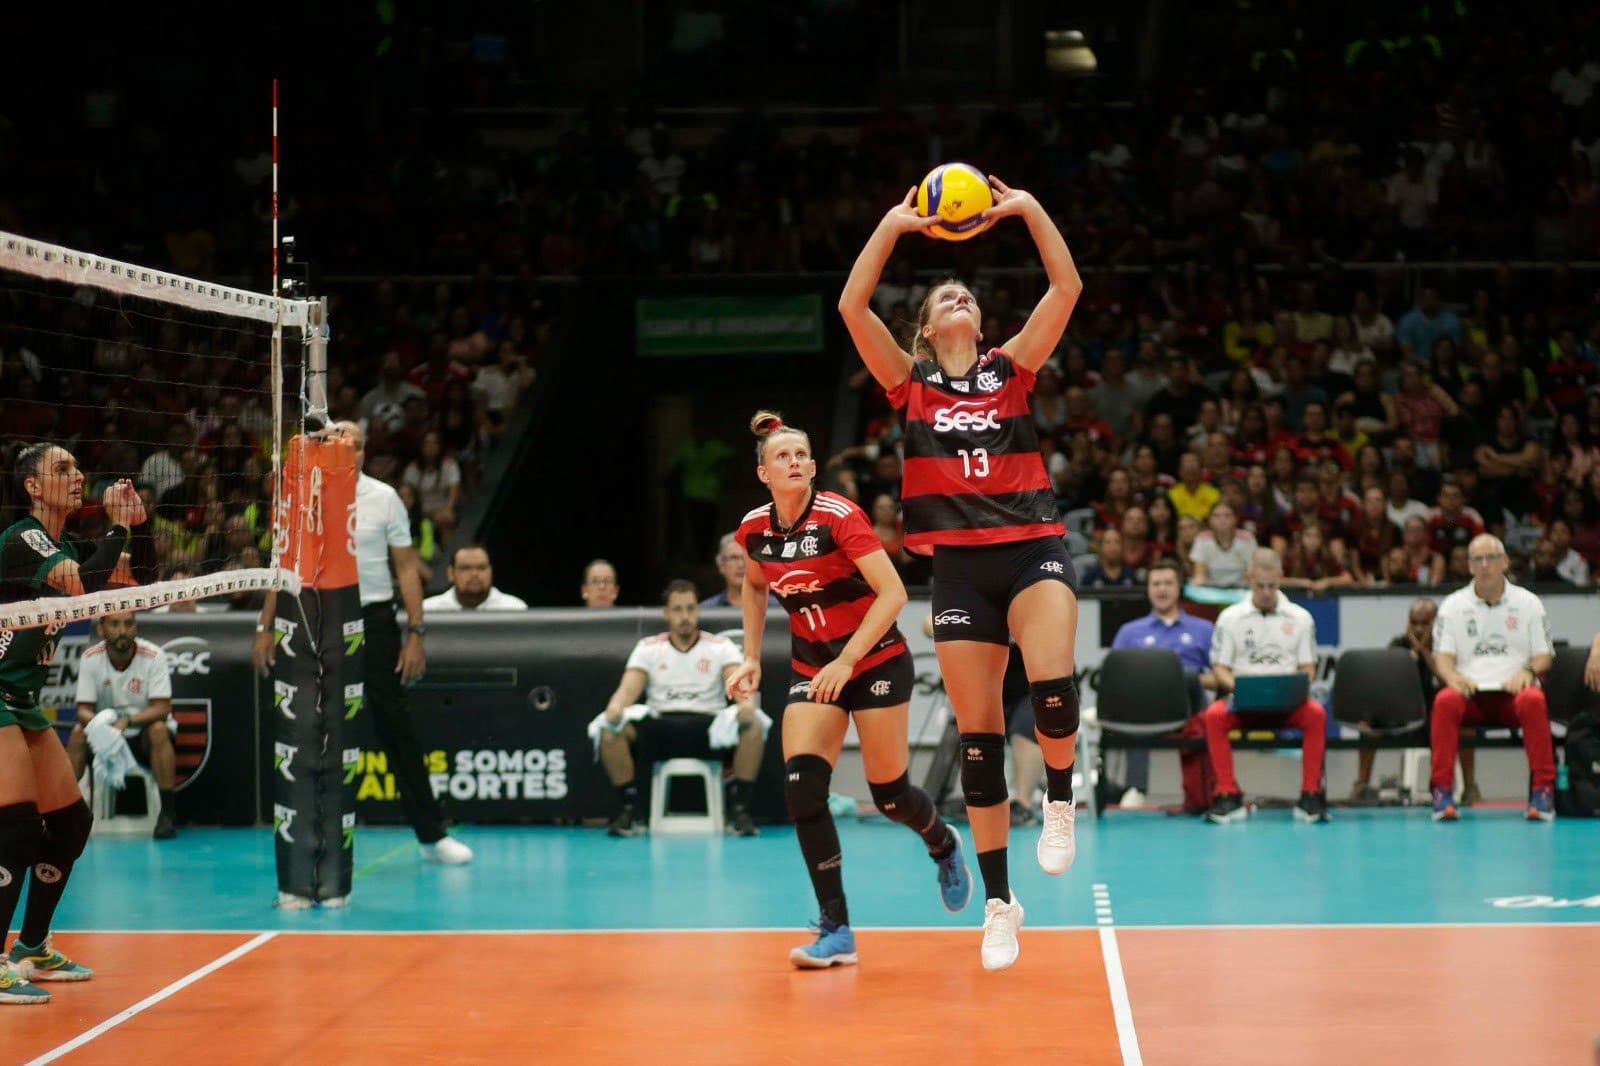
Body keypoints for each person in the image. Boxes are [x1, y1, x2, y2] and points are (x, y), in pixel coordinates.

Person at [840, 175, 1083, 970]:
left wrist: (1025, 207)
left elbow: (1067, 284)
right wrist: (894, 222)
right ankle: (999, 905)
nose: (958, 300)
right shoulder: (908, 383)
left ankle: (1058, 800)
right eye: (943, 297)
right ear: (926, 326)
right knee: (977, 740)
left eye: (965, 295)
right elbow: (851, 305)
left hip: (1030, 544)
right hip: (957, 568)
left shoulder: (1011, 368)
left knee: (1051, 685)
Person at [729, 412, 970, 968]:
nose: (793, 463)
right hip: (812, 668)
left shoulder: (840, 517)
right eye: (781, 457)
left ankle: (942, 843)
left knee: (890, 797)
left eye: (801, 456)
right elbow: (755, 585)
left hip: (876, 660)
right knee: (803, 793)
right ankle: (836, 928)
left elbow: (891, 595)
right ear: (763, 472)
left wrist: (848, 658)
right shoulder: (754, 530)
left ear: (813, 467)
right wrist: (749, 656)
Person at [253, 423, 473, 885]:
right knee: (311, 727)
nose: (341, 445)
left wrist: (415, 631)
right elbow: (284, 562)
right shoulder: (302, 496)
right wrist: (264, 625)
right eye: (333, 438)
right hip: (315, 618)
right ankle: (312, 833)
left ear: (361, 450)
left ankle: (432, 836)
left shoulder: (385, 497)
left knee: (395, 725)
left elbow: (407, 568)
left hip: (373, 620)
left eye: (350, 440)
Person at [1, 446, 146, 1002]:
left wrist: (130, 526)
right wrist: (114, 528)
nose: (78, 475)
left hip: (22, 696)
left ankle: (31, 947)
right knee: (14, 829)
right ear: (34, 487)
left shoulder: (64, 545)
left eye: (77, 467)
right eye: (61, 470)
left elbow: (126, 580)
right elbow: (81, 585)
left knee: (69, 822)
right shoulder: (23, 539)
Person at [593, 580, 767, 838]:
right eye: (677, 609)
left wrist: (746, 706)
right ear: (666, 613)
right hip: (660, 729)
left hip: (708, 730)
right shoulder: (649, 648)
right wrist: (615, 707)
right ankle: (629, 809)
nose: (685, 617)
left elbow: (742, 689)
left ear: (698, 610)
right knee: (608, 731)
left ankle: (739, 809)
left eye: (690, 609)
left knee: (754, 724)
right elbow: (627, 691)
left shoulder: (720, 647)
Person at [1428, 534, 1557, 822]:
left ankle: (1543, 792)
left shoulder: (1528, 603)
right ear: (1469, 566)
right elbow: (1443, 658)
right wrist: (1452, 677)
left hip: (1514, 695)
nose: (1485, 565)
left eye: (1491, 558)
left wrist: (1527, 672)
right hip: (1470, 694)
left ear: (1505, 562)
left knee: (1534, 699)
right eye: (1477, 559)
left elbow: (1544, 655)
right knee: (1445, 700)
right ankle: (1442, 793)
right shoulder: (1452, 605)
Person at [1201, 549, 1330, 824]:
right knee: (1213, 716)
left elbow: (1308, 668)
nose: (1266, 592)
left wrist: (1294, 687)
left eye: (1272, 585)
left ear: (1280, 578)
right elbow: (1220, 668)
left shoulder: (1301, 618)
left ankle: (1310, 794)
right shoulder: (1230, 618)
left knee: (1316, 714)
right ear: (1249, 579)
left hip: (1287, 704)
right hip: (1243, 700)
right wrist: (1237, 687)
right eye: (1260, 586)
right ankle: (1228, 794)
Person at [1347, 599, 1480, 803]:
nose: (1418, 629)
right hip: (1402, 718)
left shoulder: (1449, 649)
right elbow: (1386, 686)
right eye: (1414, 623)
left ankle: (1468, 787)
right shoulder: (1398, 645)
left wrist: (1424, 652)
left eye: (1425, 623)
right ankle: (1361, 785)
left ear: (1437, 623)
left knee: (1467, 727)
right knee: (1367, 725)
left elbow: (1452, 683)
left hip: (1438, 720)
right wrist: (1412, 653)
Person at [1111, 560, 1216, 811]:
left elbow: (1218, 678)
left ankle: (1201, 789)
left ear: (1179, 587)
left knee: (1193, 682)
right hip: (1145, 709)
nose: (1162, 590)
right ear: (1148, 590)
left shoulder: (1204, 629)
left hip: (1190, 705)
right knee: (1132, 706)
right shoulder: (1129, 632)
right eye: (1156, 584)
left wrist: (1181, 679)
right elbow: (1116, 680)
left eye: (1168, 583)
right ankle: (1135, 787)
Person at [66, 612, 179, 839]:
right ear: (102, 628)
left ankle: (167, 814)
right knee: (78, 734)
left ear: (135, 627)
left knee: (159, 730)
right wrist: (103, 727)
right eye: (115, 624)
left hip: (141, 737)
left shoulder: (154, 655)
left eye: (128, 624)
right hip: (104, 736)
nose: (122, 631)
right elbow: (83, 710)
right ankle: (61, 813)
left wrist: (126, 723)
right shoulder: (90, 657)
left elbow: (162, 709)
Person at [421, 545, 528, 611]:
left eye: (481, 568)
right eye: (465, 568)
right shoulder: (429, 610)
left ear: (491, 571)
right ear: (451, 573)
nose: (474, 574)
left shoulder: (514, 608)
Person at [1189, 500, 1256, 588]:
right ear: (1210, 520)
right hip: (1211, 589)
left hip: (1241, 588)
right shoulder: (1202, 539)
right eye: (1216, 516)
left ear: (1235, 519)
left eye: (1227, 515)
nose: (1222, 519)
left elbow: (1251, 572)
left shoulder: (1247, 538)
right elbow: (1199, 574)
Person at [700, 533, 775, 609]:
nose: (741, 565)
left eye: (746, 558)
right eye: (734, 558)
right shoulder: (707, 609)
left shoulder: (778, 608)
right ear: (721, 566)